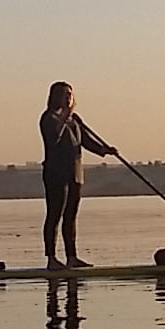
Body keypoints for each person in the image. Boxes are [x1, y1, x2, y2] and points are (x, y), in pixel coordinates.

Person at [40, 82, 115, 269]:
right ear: (54, 96)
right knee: (55, 215)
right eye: (64, 94)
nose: (68, 98)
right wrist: (65, 117)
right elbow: (54, 139)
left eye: (70, 94)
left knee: (71, 217)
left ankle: (72, 257)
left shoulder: (74, 120)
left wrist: (104, 150)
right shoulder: (49, 119)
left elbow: (86, 142)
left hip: (75, 173)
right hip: (56, 173)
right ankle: (51, 259)